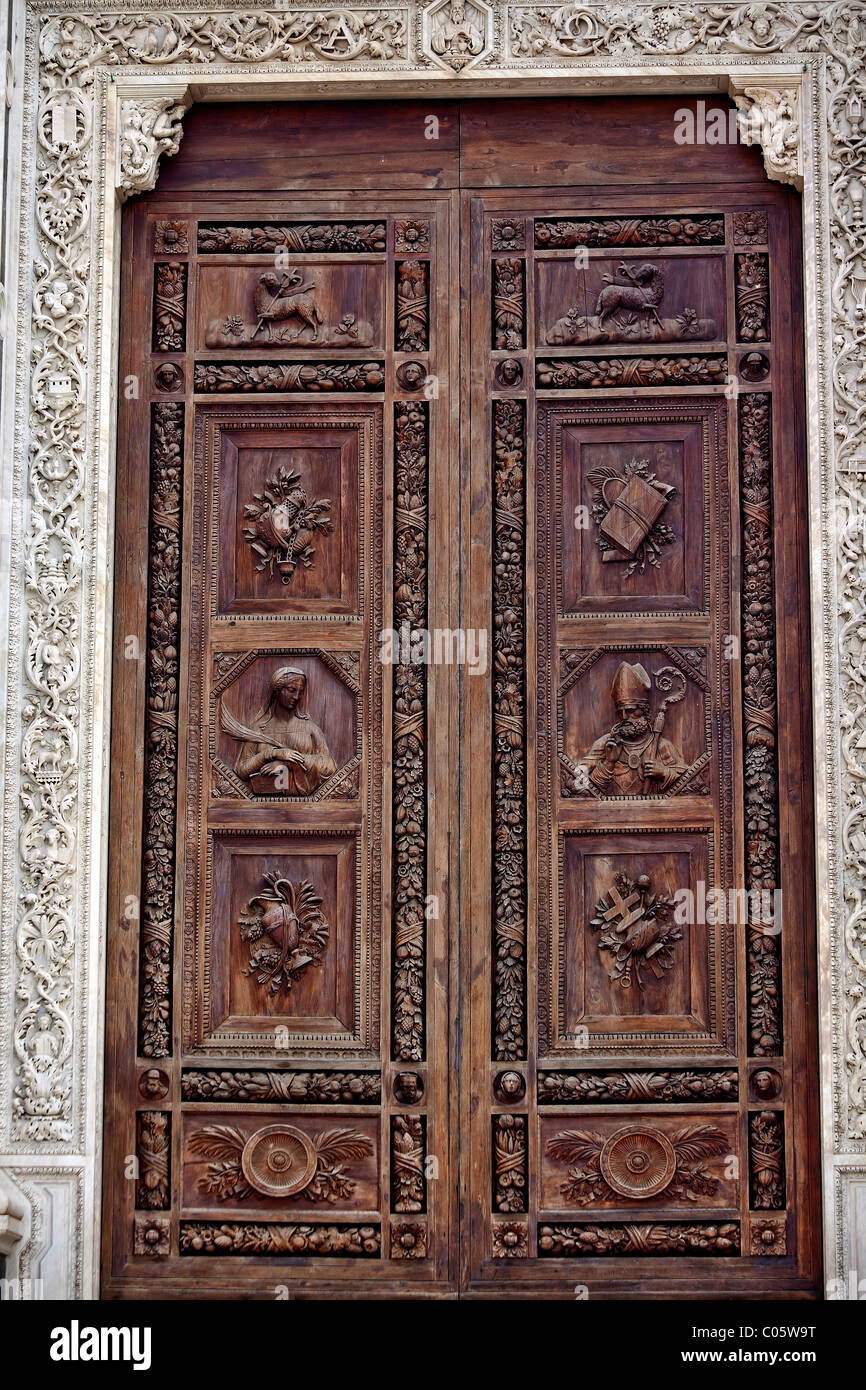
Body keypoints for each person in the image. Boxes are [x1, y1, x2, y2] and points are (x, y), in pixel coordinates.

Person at [577, 661, 687, 795]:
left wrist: (665, 773)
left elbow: (690, 786)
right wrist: (608, 763)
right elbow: (578, 787)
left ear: (644, 711)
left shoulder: (662, 746)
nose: (624, 717)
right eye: (620, 712)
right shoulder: (605, 744)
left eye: (630, 710)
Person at [234, 667, 335, 794]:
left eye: (300, 691)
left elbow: (329, 766)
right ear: (277, 690)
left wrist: (288, 763)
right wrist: (271, 754)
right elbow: (241, 770)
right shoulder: (258, 729)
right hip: (262, 806)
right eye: (292, 690)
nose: (297, 696)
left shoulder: (310, 729)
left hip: (307, 807)